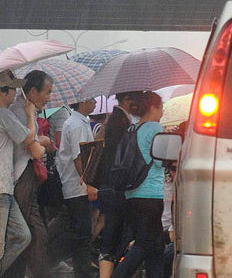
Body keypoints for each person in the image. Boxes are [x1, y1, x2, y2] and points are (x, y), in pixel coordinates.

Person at [0, 70, 42, 278]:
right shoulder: (2, 114)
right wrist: (30, 113)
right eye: (12, 89)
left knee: (22, 236)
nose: (16, 93)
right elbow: (28, 139)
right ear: (2, 91)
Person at [3, 70, 55, 278]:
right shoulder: (19, 111)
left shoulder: (26, 110)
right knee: (26, 234)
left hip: (28, 177)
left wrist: (40, 141)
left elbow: (46, 144)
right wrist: (40, 141)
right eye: (48, 92)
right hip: (20, 177)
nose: (49, 98)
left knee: (35, 234)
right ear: (32, 91)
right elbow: (35, 148)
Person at [110, 92, 165, 278]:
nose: (163, 111)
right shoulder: (155, 128)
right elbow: (160, 162)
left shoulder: (133, 129)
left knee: (156, 247)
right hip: (151, 195)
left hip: (132, 194)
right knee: (142, 244)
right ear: (152, 107)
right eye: (161, 107)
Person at [48, 97, 98, 278]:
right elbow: (79, 157)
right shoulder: (76, 124)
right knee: (82, 235)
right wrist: (88, 183)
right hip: (77, 187)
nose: (95, 102)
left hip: (76, 185)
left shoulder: (78, 122)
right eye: (91, 99)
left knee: (80, 234)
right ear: (82, 101)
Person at [97, 92, 138, 278]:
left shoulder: (116, 120)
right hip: (115, 186)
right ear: (127, 100)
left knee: (114, 234)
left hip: (111, 185)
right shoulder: (119, 121)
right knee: (113, 235)